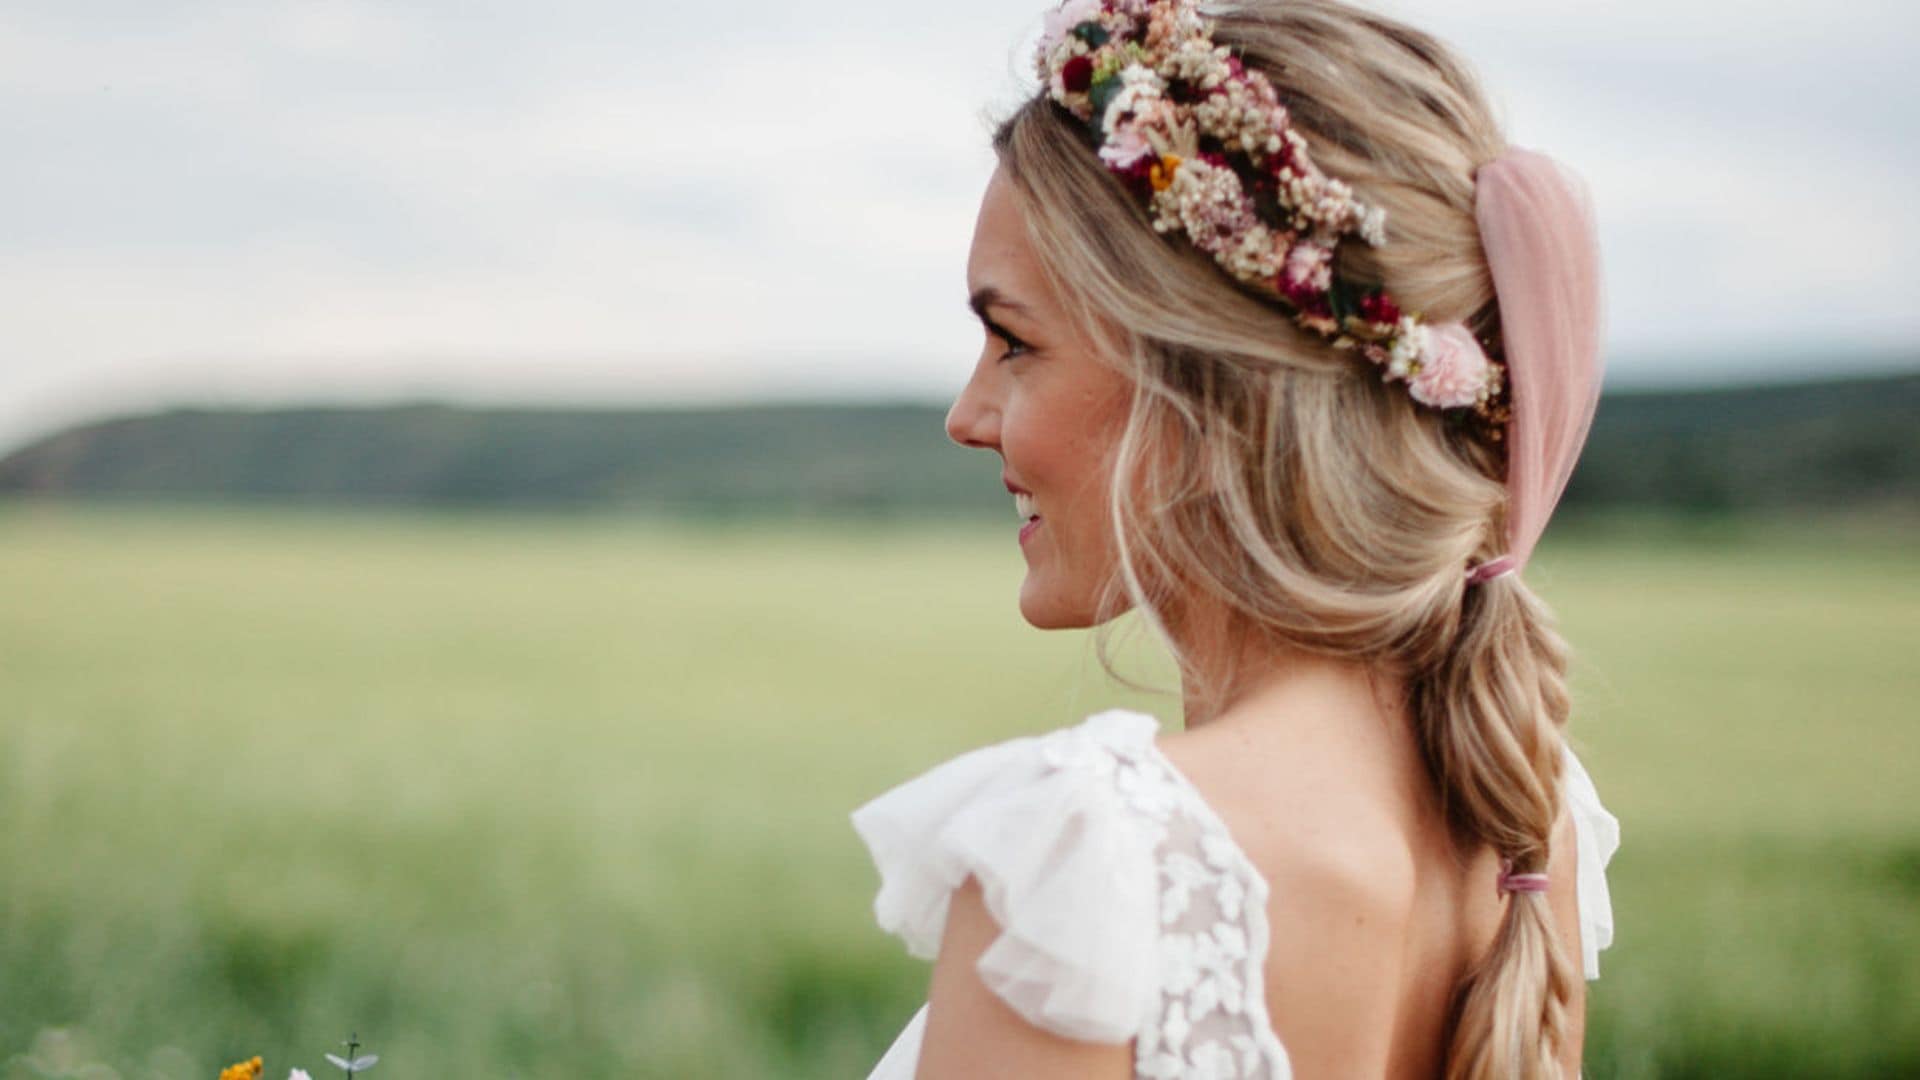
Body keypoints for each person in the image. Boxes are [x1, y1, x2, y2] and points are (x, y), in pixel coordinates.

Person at [850, 0, 1621, 1075]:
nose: (966, 416)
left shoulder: (1098, 862)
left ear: (1207, 380)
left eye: (1013, 342)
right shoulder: (1524, 830)